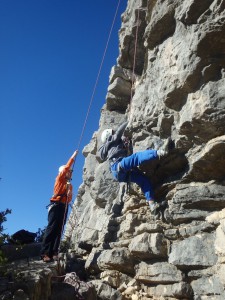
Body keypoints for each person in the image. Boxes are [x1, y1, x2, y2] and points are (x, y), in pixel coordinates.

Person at [98, 122, 170, 215]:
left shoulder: (111, 147)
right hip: (118, 165)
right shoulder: (111, 139)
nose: (114, 132)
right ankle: (160, 152)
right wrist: (128, 121)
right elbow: (119, 132)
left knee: (143, 180)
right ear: (109, 135)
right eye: (112, 132)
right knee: (136, 157)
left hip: (120, 173)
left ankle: (152, 205)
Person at [40, 149, 78, 262]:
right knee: (52, 228)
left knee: (59, 229)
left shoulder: (69, 185)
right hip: (55, 205)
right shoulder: (59, 179)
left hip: (63, 206)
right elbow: (66, 167)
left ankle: (54, 252)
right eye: (69, 171)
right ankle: (45, 253)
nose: (70, 172)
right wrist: (73, 156)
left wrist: (70, 195)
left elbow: (69, 199)